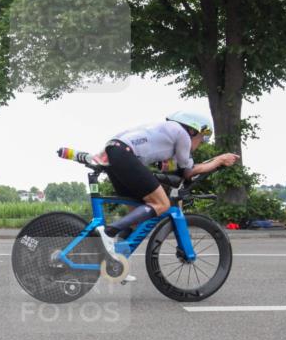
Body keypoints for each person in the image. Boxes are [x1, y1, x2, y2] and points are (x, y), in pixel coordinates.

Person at [95, 111, 239, 277]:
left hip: (114, 151)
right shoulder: (183, 135)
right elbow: (188, 172)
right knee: (162, 204)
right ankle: (108, 232)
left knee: (135, 217)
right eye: (201, 139)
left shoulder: (166, 132)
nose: (200, 144)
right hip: (125, 154)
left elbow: (169, 167)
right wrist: (219, 160)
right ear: (193, 130)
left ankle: (115, 259)